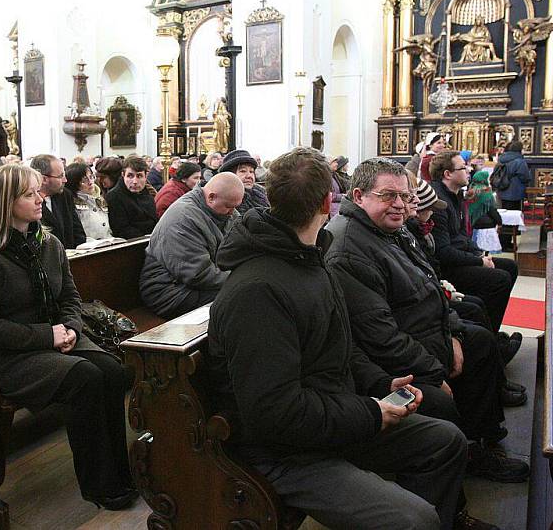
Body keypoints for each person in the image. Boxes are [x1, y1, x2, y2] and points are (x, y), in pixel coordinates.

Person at [205, 148, 473, 530]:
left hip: (330, 416)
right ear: (329, 201)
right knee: (414, 520)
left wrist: (380, 384)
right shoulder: (258, 291)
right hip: (287, 453)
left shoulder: (308, 258)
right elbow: (274, 414)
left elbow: (337, 347)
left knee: (446, 441)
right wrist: (371, 413)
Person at [325, 157, 528, 485]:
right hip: (391, 361)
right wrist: (433, 373)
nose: (400, 205)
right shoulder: (349, 249)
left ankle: (481, 439)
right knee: (448, 382)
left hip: (425, 335)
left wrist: (454, 333)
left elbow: (430, 283)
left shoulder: (391, 229)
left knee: (477, 339)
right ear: (359, 196)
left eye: (405, 197)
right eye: (388, 195)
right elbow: (380, 336)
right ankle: (468, 450)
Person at [0, 164, 137, 510]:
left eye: (39, 190)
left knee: (114, 371)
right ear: (5, 201)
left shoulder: (48, 242)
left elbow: (70, 297)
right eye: (30, 194)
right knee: (85, 378)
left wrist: (71, 328)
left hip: (58, 337)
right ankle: (99, 484)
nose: (41, 199)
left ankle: (120, 470)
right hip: (12, 353)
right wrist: (49, 336)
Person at [429, 151, 519, 343]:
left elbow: (462, 236)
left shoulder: (455, 197)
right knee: (499, 279)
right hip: (445, 268)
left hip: (459, 257)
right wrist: (478, 261)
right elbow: (443, 252)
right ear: (447, 174)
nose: (469, 170)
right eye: (463, 167)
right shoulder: (438, 202)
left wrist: (480, 254)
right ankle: (489, 338)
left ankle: (490, 330)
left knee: (510, 267)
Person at [140, 172, 242, 319]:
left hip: (191, 286)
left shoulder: (223, 209)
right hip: (169, 292)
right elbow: (198, 274)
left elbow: (241, 243)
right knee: (241, 296)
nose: (232, 212)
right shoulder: (182, 218)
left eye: (235, 207)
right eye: (229, 207)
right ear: (211, 197)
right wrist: (241, 277)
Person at [30, 154, 86, 249]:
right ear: (44, 179)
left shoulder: (64, 195)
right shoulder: (30, 201)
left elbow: (77, 232)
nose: (65, 180)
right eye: (60, 176)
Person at [106, 156, 157, 239]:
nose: (135, 181)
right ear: (123, 175)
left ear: (146, 176)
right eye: (130, 176)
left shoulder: (147, 192)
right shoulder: (114, 197)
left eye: (139, 176)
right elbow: (121, 230)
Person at [64, 163, 112, 241]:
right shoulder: (71, 203)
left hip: (107, 241)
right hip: (87, 246)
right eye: (84, 180)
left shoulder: (100, 199)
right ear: (73, 183)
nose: (90, 182)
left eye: (91, 177)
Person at [218, 149, 269, 214]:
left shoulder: (262, 195)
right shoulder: (223, 200)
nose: (249, 176)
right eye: (243, 171)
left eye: (251, 171)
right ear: (230, 174)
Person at [469, 170, 502, 254]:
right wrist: (499, 221)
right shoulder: (486, 193)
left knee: (476, 251)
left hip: (474, 225)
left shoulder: (470, 192)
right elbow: (492, 210)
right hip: (487, 226)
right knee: (486, 252)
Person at [495, 140, 531, 210]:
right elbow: (525, 177)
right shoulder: (520, 161)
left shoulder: (501, 159)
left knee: (504, 213)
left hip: (501, 191)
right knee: (515, 214)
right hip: (516, 193)